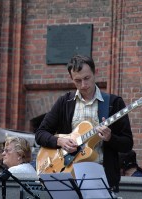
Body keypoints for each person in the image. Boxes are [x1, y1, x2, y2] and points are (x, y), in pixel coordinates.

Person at [35, 54, 133, 192]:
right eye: (78, 80)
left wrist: (111, 138)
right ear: (71, 78)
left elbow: (127, 144)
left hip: (102, 179)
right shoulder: (65, 102)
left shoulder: (113, 103)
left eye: (87, 78)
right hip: (67, 177)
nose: (84, 85)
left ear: (95, 73)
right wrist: (60, 141)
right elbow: (40, 134)